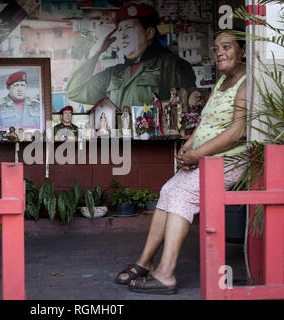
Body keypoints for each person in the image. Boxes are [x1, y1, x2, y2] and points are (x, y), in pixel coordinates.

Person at [114, 31, 248, 294]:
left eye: (227, 47)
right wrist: (188, 147)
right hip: (207, 160)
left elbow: (237, 132)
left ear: (243, 51)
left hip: (230, 161)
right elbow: (206, 124)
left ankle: (166, 274)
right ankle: (145, 262)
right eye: (216, 47)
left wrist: (197, 155)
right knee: (167, 190)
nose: (219, 52)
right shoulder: (222, 81)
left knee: (181, 194)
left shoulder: (247, 84)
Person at [65, 3, 196, 110]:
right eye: (120, 30)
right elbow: (75, 91)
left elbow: (186, 110)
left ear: (149, 33)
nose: (123, 35)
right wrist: (93, 54)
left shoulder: (171, 66)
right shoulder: (114, 73)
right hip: (121, 142)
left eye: (129, 28)